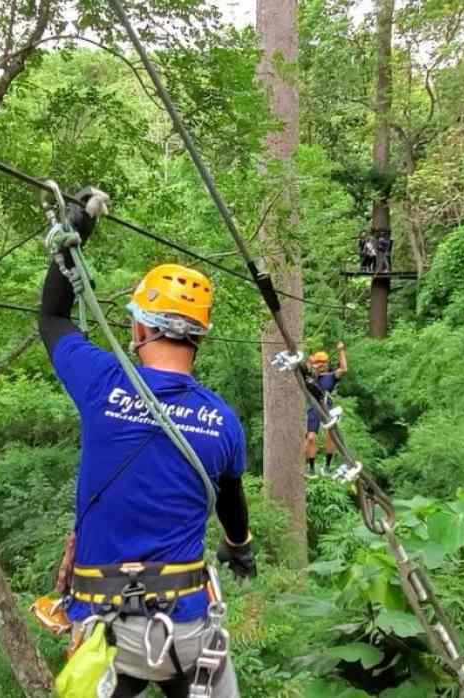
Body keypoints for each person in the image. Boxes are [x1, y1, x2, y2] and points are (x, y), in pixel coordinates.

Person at [39, 188, 254, 698]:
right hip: (186, 630)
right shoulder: (222, 422)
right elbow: (230, 501)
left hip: (103, 633)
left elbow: (53, 318)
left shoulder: (102, 382)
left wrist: (76, 230)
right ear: (198, 336)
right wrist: (239, 549)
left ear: (138, 326)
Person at [304, 341, 348, 475]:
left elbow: (344, 369)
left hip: (327, 407)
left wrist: (341, 351)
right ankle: (311, 467)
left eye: (323, 362)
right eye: (319, 362)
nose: (321, 365)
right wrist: (310, 362)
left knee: (331, 435)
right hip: (313, 408)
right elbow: (303, 368)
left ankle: (327, 465)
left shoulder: (331, 376)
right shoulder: (310, 376)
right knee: (311, 438)